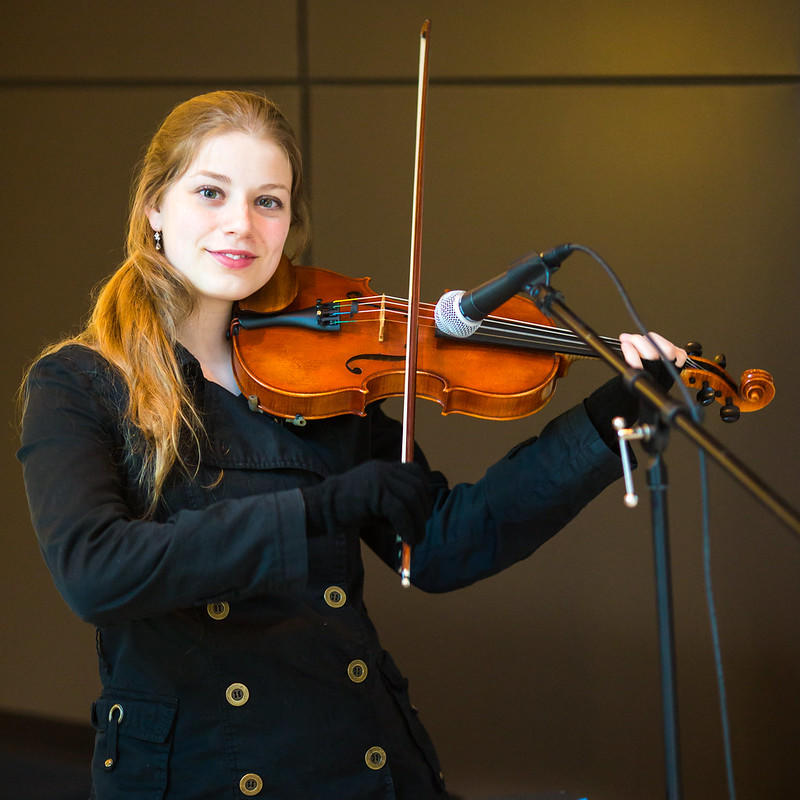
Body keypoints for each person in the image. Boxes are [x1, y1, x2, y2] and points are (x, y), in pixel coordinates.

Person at [17, 90, 686, 800]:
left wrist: (611, 416)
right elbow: (97, 572)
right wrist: (317, 511)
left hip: (359, 755)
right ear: (155, 205)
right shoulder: (81, 385)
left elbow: (443, 546)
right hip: (203, 773)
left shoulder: (326, 376)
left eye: (268, 202)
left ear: (290, 225)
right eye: (211, 192)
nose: (240, 225)